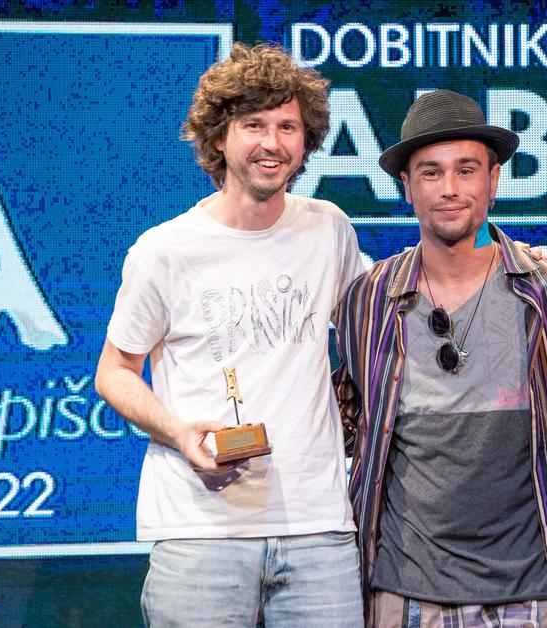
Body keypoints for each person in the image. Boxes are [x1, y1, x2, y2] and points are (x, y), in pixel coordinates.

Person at [333, 90, 547, 628]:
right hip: (405, 594)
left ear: (494, 181)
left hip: (540, 591)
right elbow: (347, 423)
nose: (450, 189)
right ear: (406, 186)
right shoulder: (370, 298)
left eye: (466, 170)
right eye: (431, 173)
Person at [95, 43, 364, 627]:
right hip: (200, 531)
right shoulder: (165, 250)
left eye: (288, 127)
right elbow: (114, 371)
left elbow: (383, 319)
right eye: (254, 125)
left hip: (318, 530)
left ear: (306, 141)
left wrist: (499, 257)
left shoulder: (328, 229)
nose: (273, 143)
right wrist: (178, 431)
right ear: (219, 138)